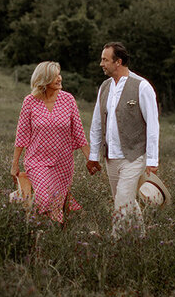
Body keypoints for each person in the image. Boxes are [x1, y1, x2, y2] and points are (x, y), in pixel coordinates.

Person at [86, 42, 160, 237]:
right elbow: (96, 123)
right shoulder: (104, 87)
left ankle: (115, 244)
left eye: (105, 60)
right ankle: (140, 237)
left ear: (118, 62)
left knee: (121, 202)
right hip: (111, 157)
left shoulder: (141, 87)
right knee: (125, 200)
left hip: (133, 156)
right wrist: (93, 155)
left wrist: (152, 160)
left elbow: (153, 125)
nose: (101, 63)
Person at [11, 61, 89, 224]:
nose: (59, 78)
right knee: (45, 199)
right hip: (36, 161)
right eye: (54, 76)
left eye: (59, 74)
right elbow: (22, 134)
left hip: (63, 163)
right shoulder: (30, 101)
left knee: (55, 204)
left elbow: (79, 133)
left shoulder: (68, 99)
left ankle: (53, 236)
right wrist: (15, 163)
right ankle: (55, 225)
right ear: (44, 80)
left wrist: (90, 159)